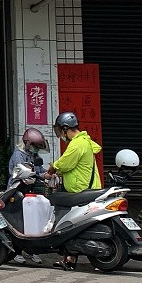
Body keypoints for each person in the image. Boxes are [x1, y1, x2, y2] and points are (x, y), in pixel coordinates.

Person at [43, 111, 102, 269]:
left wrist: (51, 170)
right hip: (85, 188)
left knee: (65, 222)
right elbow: (74, 166)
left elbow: (64, 163)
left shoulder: (77, 144)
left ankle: (69, 256)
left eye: (60, 131)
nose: (61, 135)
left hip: (79, 190)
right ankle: (70, 258)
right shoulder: (84, 141)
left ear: (65, 129)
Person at [8, 127, 48, 265]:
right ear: (28, 143)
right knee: (18, 221)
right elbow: (24, 171)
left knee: (32, 221)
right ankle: (16, 252)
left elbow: (39, 170)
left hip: (30, 191)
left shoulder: (33, 155)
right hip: (17, 190)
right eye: (35, 146)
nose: (36, 149)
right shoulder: (18, 155)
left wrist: (48, 174)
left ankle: (32, 250)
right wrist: (38, 175)